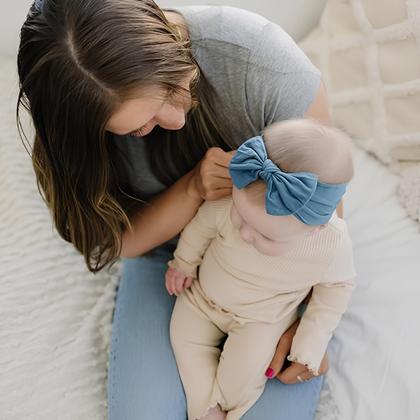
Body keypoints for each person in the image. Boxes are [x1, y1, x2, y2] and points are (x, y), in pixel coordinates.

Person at [17, 0, 339, 418]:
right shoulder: (78, 134)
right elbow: (116, 240)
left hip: (280, 267)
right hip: (168, 260)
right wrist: (191, 189)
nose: (175, 120)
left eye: (173, 85)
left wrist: (312, 325)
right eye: (140, 127)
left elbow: (325, 215)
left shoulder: (261, 62)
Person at [166, 119, 356, 420]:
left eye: (265, 236)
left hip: (262, 320)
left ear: (315, 229)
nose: (244, 233)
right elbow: (199, 228)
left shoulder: (331, 244)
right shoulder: (231, 200)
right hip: (202, 300)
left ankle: (229, 405)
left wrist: (312, 339)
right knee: (183, 337)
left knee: (245, 373)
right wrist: (183, 262)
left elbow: (336, 289)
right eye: (240, 216)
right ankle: (204, 407)